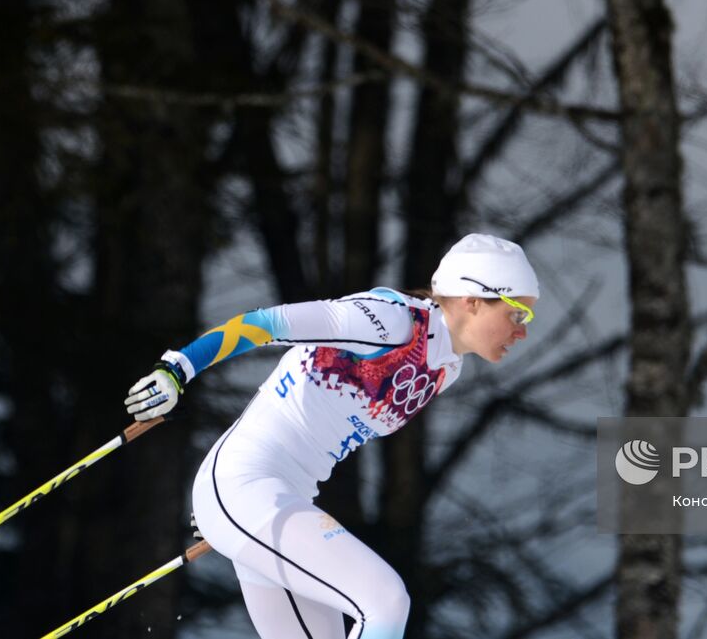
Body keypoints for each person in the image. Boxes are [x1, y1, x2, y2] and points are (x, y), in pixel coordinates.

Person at [123, 233, 539, 639]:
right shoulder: (391, 322)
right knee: (386, 602)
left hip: (280, 502)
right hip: (243, 485)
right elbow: (268, 324)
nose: (522, 331)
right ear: (471, 300)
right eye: (517, 314)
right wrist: (178, 369)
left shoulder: (447, 369)